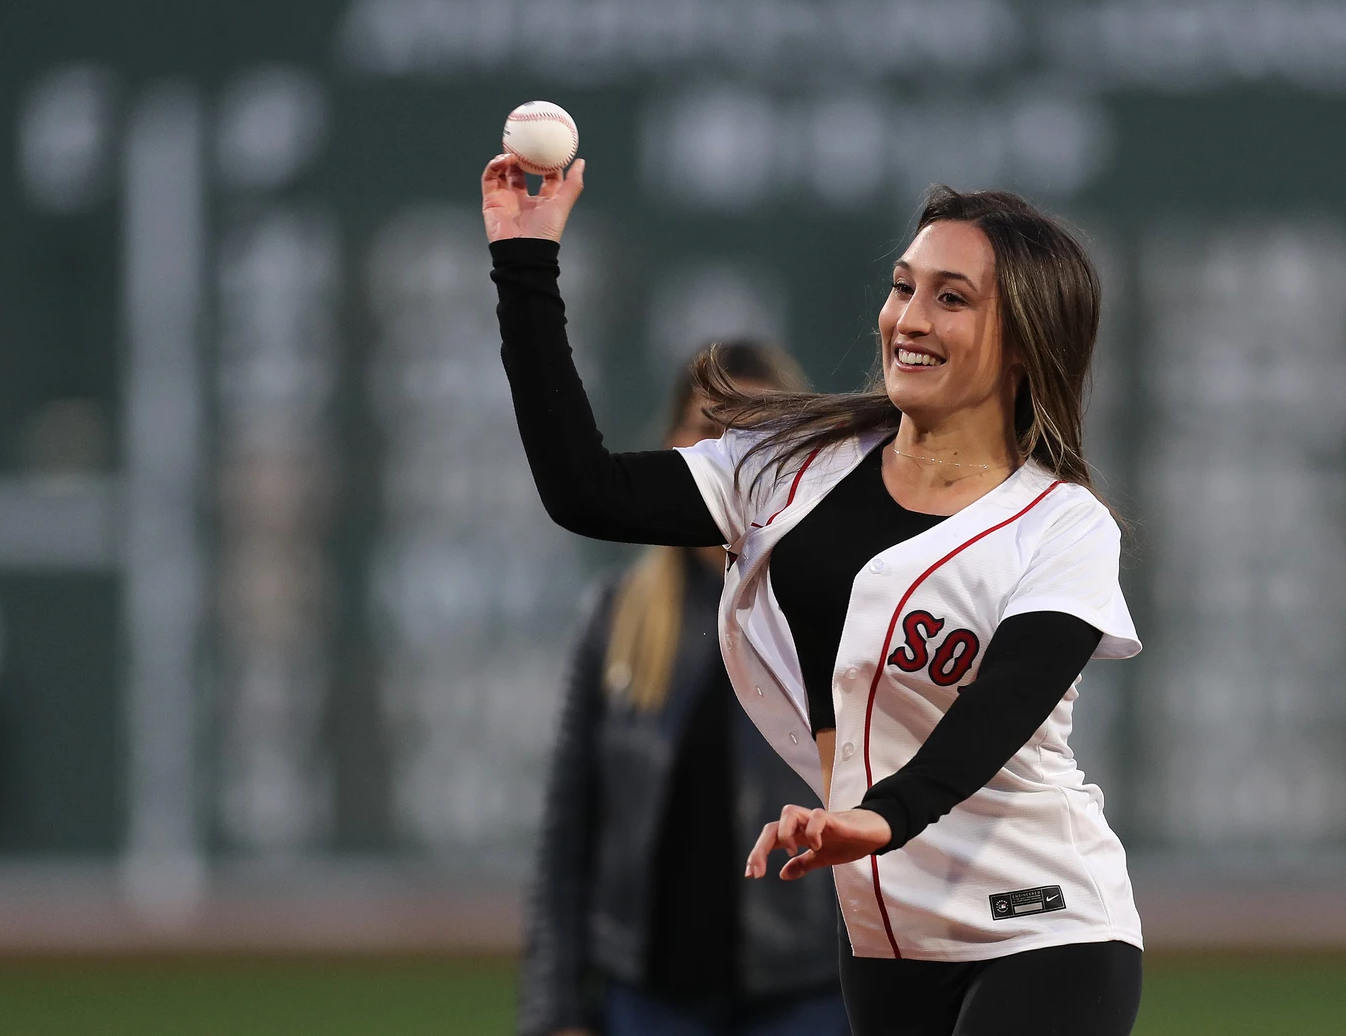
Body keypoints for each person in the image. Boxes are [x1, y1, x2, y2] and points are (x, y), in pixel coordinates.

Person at [483, 152, 1145, 1036]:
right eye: (905, 286)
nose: (908, 317)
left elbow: (1001, 710)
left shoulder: (1062, 526)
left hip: (1044, 917)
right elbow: (583, 488)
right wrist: (526, 263)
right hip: (886, 934)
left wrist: (880, 815)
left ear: (1027, 340)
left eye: (952, 297)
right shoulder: (794, 466)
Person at [518, 341, 850, 1036]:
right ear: (672, 449)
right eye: (709, 432)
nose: (732, 460)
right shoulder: (617, 620)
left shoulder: (851, 617)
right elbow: (567, 835)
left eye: (761, 434)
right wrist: (553, 1010)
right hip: (649, 998)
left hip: (812, 993)